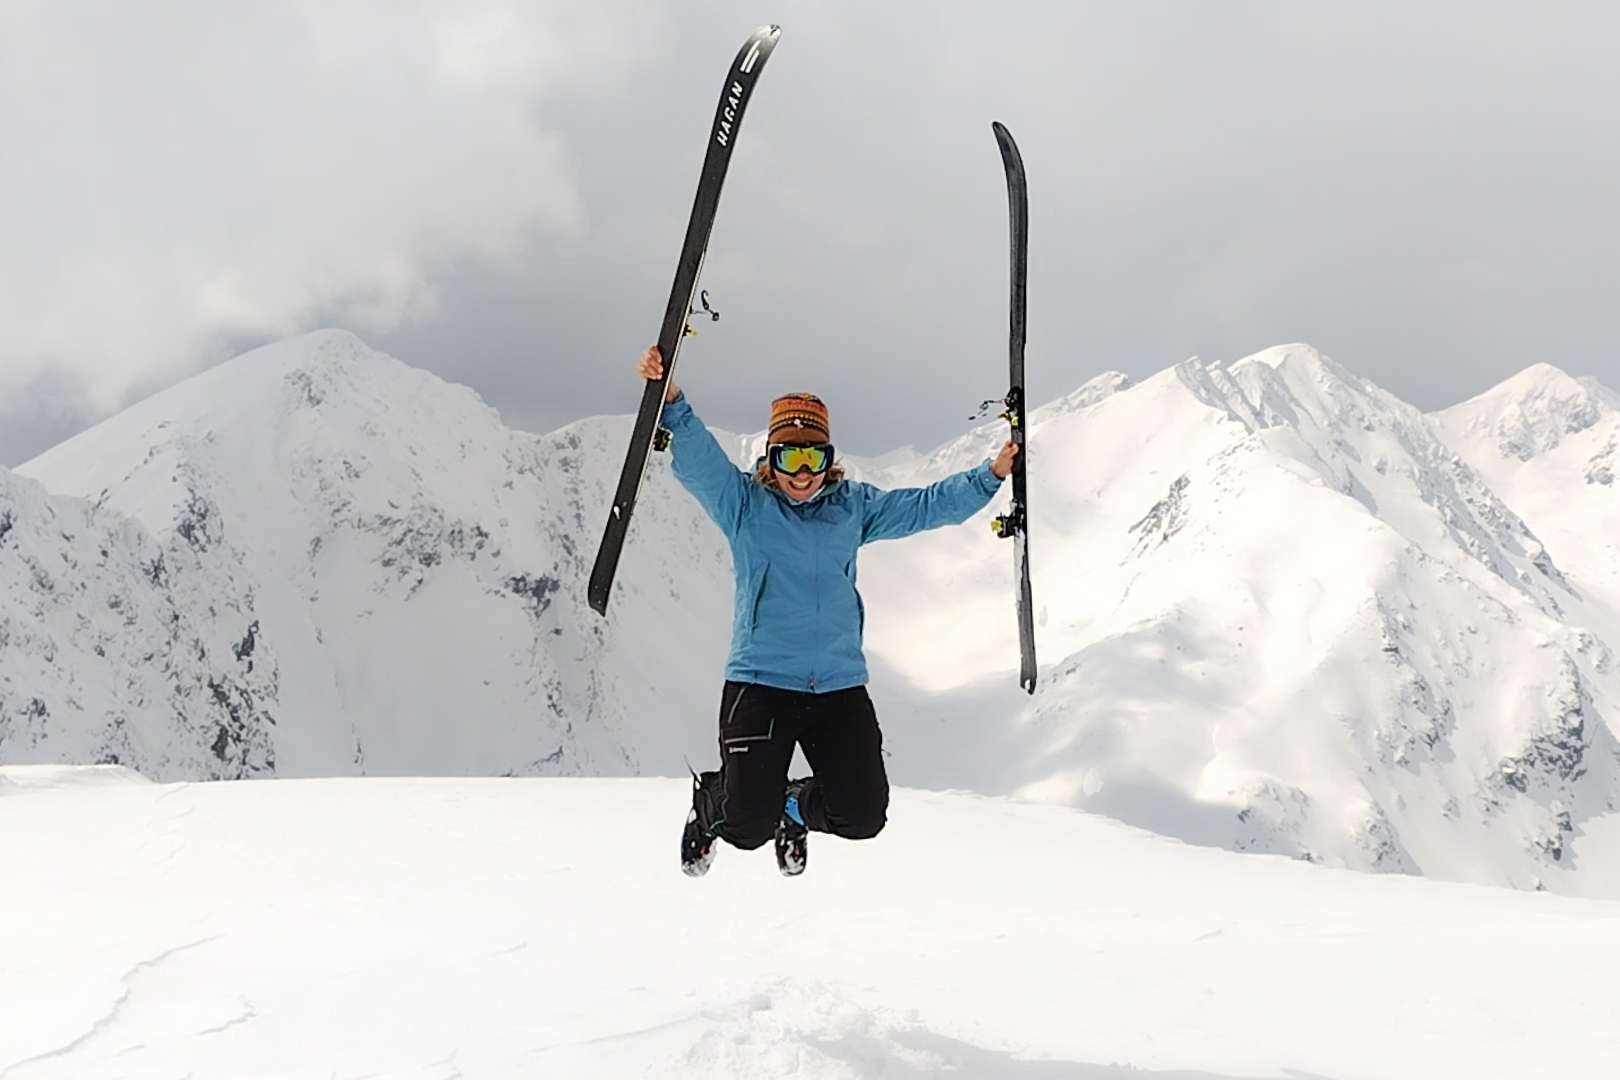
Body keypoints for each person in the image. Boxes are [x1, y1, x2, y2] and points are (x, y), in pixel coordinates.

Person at [637, 345, 1018, 877]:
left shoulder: (851, 507)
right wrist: (671, 397)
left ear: (829, 460)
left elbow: (924, 507)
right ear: (770, 460)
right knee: (746, 825)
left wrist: (992, 474)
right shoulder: (743, 504)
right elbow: (701, 460)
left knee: (862, 816)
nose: (802, 474)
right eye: (788, 459)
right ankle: (709, 805)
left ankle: (793, 806)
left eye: (813, 460)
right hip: (761, 682)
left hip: (837, 686)